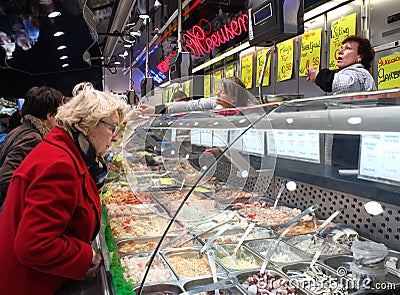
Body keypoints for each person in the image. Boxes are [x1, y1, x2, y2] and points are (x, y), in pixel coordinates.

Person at [0, 83, 128, 294]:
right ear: (89, 123)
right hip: (30, 284)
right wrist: (87, 256)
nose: (114, 137)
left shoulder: (67, 151)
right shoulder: (60, 164)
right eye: (112, 127)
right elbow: (34, 245)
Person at [0, 86, 63, 210]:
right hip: (9, 207)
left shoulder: (19, 130)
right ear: (50, 115)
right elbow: (5, 178)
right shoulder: (33, 138)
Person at [141, 76, 253, 114]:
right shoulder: (214, 102)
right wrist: (156, 109)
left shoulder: (248, 113)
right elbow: (190, 106)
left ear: (233, 99)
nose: (217, 94)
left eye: (222, 92)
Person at [306, 35, 376, 94]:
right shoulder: (351, 72)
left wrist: (318, 75)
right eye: (341, 48)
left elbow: (346, 84)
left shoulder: (359, 73)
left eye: (348, 48)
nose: (340, 51)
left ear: (360, 56)